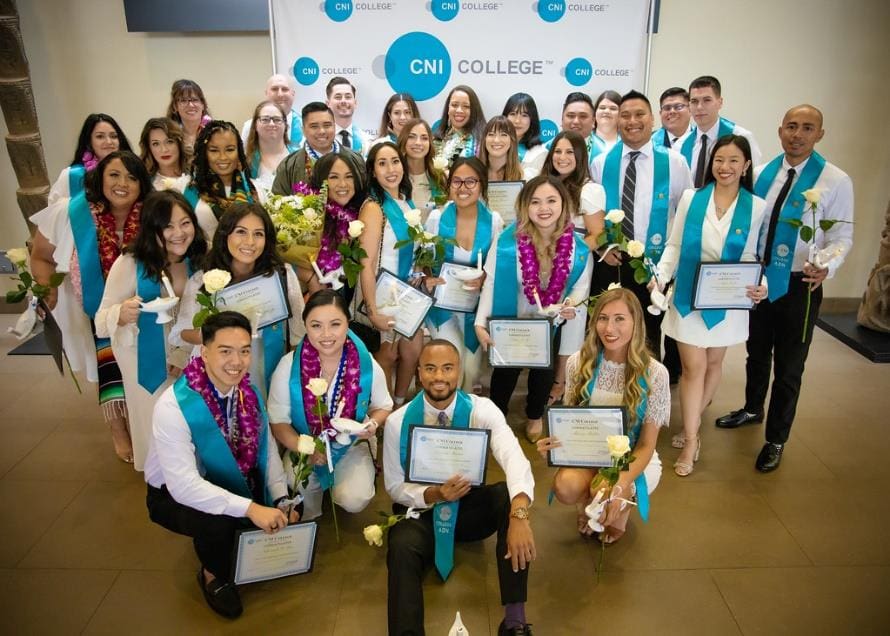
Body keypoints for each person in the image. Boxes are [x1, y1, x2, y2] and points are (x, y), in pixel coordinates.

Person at [715, 105, 854, 472]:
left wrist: (825, 264)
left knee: (790, 366)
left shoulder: (835, 180)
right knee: (756, 353)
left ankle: (776, 438)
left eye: (807, 128)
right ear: (780, 131)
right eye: (791, 126)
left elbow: (842, 235)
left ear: (819, 134)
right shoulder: (761, 174)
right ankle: (751, 408)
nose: (798, 134)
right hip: (757, 282)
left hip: (799, 284)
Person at [145, 311, 299, 619]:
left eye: (244, 351)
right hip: (173, 493)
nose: (237, 361)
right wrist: (251, 509)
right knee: (217, 522)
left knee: (293, 506)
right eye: (225, 351)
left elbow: (266, 450)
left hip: (232, 475)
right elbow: (185, 487)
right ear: (204, 352)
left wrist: (282, 498)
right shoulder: (173, 406)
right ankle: (212, 575)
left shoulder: (249, 392)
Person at [383, 339, 536, 636]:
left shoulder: (482, 410)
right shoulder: (396, 422)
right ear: (418, 372)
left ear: (459, 372)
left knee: (506, 495)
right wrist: (435, 494)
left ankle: (515, 620)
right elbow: (393, 485)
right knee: (400, 546)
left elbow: (513, 455)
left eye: (447, 368)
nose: (439, 377)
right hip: (424, 511)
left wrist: (519, 513)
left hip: (469, 510)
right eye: (430, 368)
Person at [653, 135, 767, 476]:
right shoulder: (692, 199)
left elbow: (750, 256)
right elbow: (673, 244)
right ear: (711, 163)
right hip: (689, 294)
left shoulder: (755, 207)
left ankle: (692, 425)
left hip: (728, 298)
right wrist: (660, 276)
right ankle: (690, 439)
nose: (725, 167)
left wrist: (760, 285)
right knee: (693, 368)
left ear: (745, 165)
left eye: (734, 161)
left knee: (714, 362)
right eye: (719, 160)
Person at [30, 150, 153, 463]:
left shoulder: (153, 213)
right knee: (110, 370)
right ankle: (119, 430)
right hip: (99, 309)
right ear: (100, 178)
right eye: (114, 175)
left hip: (146, 310)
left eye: (131, 177)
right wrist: (47, 288)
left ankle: (150, 429)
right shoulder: (73, 213)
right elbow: (40, 255)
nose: (122, 183)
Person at [536, 288, 668, 541]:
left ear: (635, 323)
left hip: (632, 457)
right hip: (589, 451)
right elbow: (574, 423)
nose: (609, 328)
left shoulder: (655, 373)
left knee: (610, 493)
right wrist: (553, 446)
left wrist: (619, 483)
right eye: (603, 318)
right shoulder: (579, 362)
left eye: (620, 319)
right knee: (565, 487)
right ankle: (590, 505)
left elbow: (647, 443)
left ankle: (614, 507)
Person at [95, 190, 207, 470]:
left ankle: (192, 472)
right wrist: (121, 313)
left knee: (190, 413)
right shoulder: (131, 263)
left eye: (185, 223)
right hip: (143, 352)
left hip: (188, 348)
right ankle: (162, 474)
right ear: (152, 229)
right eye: (167, 226)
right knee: (157, 411)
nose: (178, 233)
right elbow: (100, 320)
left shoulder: (199, 258)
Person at [475, 175, 592, 442]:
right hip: (512, 319)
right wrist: (480, 324)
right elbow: (491, 283)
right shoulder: (507, 241)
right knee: (505, 372)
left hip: (550, 321)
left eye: (551, 200)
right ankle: (497, 416)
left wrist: (568, 306)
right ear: (525, 206)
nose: (544, 208)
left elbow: (579, 287)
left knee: (544, 373)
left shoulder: (576, 247)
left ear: (563, 204)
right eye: (536, 202)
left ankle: (534, 415)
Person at [590, 90, 692, 378]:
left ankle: (645, 394)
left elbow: (686, 215)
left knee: (648, 337)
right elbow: (592, 217)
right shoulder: (601, 163)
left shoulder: (674, 163)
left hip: (655, 268)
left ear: (652, 119)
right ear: (617, 121)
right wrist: (601, 249)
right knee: (608, 332)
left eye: (639, 114)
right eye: (625, 115)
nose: (632, 121)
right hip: (612, 264)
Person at [268, 289, 393, 519]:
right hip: (306, 444)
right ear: (305, 325)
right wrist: (305, 448)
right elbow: (278, 422)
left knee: (354, 499)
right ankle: (314, 501)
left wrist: (373, 424)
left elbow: (383, 405)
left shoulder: (366, 364)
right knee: (294, 486)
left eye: (335, 324)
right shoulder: (289, 366)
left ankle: (338, 488)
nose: (326, 334)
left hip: (350, 445)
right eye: (316, 326)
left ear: (348, 324)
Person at [171, 203, 306, 392]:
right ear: (226, 234)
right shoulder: (203, 280)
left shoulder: (282, 275)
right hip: (218, 381)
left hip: (272, 377)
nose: (250, 242)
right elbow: (180, 334)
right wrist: (207, 333)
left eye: (258, 234)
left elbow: (298, 334)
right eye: (241, 232)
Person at [353, 142, 424, 406]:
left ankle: (399, 402)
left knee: (412, 350)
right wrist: (373, 310)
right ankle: (382, 410)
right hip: (382, 292)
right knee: (388, 354)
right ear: (372, 172)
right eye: (382, 163)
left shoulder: (406, 203)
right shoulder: (374, 207)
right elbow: (366, 263)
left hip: (407, 292)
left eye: (395, 161)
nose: (390, 169)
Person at [425, 157, 504, 392]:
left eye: (471, 181)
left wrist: (483, 279)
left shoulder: (493, 222)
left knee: (471, 371)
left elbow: (496, 268)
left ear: (481, 185)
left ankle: (464, 418)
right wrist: (428, 276)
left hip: (474, 307)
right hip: (442, 308)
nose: (463, 188)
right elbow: (424, 261)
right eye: (457, 181)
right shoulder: (436, 219)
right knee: (452, 360)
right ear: (449, 185)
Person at [301, 150, 368, 300]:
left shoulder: (362, 213)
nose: (343, 184)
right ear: (321, 181)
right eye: (333, 177)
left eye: (349, 177)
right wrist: (311, 279)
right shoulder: (307, 214)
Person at [680, 75, 762, 187]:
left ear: (720, 102)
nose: (699, 107)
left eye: (707, 100)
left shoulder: (741, 137)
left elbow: (753, 180)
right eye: (694, 101)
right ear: (689, 105)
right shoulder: (682, 143)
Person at [272, 102, 361, 194]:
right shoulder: (288, 166)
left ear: (334, 127)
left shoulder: (356, 160)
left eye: (327, 125)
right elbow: (278, 203)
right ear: (303, 130)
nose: (322, 131)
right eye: (314, 126)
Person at [48, 113, 132, 204]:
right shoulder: (73, 175)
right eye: (100, 136)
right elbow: (54, 212)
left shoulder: (133, 171)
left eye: (114, 136)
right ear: (89, 141)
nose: (109, 141)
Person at [544, 130, 605, 247]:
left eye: (569, 152)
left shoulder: (589, 190)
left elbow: (598, 235)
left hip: (574, 261)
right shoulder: (542, 186)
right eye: (557, 151)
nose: (562, 157)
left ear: (580, 155)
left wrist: (564, 256)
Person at [244, 100, 297, 196]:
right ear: (255, 125)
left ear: (285, 125)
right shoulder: (246, 162)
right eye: (265, 119)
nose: (272, 124)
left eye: (277, 119)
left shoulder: (298, 157)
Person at [397, 118, 448, 213]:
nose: (418, 143)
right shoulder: (395, 178)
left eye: (424, 138)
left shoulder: (440, 178)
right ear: (403, 140)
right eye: (412, 137)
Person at [239, 73, 303, 148]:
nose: (280, 94)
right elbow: (246, 157)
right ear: (266, 93)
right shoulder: (250, 126)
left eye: (285, 89)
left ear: (293, 94)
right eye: (274, 89)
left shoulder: (305, 125)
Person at [434, 85, 486, 164]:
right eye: (454, 105)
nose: (459, 110)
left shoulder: (482, 141)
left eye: (466, 106)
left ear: (474, 111)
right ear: (448, 109)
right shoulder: (436, 136)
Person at [502, 92, 548, 178]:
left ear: (532, 119)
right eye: (513, 114)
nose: (517, 121)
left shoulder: (541, 153)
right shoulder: (495, 147)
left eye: (524, 115)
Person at [139, 117, 190, 192]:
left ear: (179, 144)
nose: (164, 149)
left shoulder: (197, 178)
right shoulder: (144, 184)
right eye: (156, 144)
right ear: (149, 148)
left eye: (169, 142)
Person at [166, 79, 211, 159]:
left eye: (195, 100)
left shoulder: (214, 131)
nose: (190, 105)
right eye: (183, 100)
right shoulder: (168, 134)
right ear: (175, 106)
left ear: (203, 105)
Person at [326, 76, 371, 156]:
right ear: (328, 103)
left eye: (348, 97)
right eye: (338, 97)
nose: (343, 101)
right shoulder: (320, 140)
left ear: (355, 103)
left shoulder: (367, 141)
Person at [479, 116, 525, 183]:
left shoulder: (522, 176)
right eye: (491, 134)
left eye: (503, 135)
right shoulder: (473, 172)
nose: (496, 140)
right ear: (484, 139)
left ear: (512, 140)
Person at [591, 89, 622, 160]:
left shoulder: (628, 144)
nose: (607, 111)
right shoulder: (584, 141)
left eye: (613, 108)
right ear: (595, 113)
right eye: (602, 108)